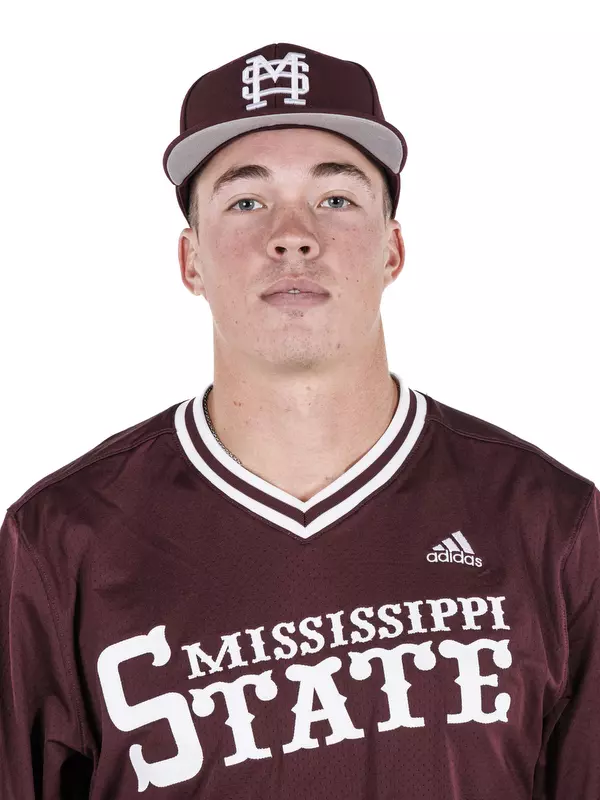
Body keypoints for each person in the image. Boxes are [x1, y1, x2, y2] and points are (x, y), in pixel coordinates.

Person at [1, 41, 598, 800]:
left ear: (394, 250)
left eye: (337, 199)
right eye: (246, 202)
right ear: (189, 261)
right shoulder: (61, 538)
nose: (293, 235)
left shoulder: (553, 522)